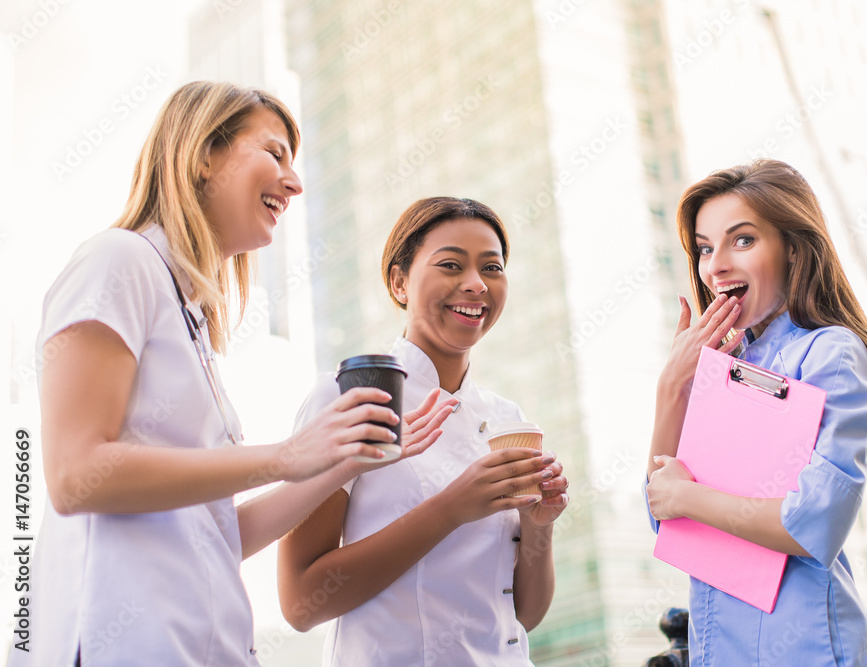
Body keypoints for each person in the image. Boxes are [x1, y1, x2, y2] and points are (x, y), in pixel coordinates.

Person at [15, 81, 453, 667]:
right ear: (203, 154)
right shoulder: (116, 262)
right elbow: (76, 474)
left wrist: (340, 460)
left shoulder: (190, 323)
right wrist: (286, 453)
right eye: (274, 153)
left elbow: (219, 534)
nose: (295, 182)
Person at [278, 197, 570, 665]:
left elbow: (524, 615)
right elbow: (300, 603)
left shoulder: (506, 418)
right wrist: (451, 508)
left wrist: (539, 529)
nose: (476, 285)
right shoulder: (348, 396)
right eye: (451, 265)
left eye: (491, 268)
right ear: (399, 282)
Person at [645, 159, 867, 665]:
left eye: (742, 240)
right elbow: (663, 514)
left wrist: (686, 496)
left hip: (807, 647)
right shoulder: (727, 362)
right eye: (703, 247)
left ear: (791, 246)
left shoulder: (832, 353)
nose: (715, 264)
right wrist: (673, 386)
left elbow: (811, 524)